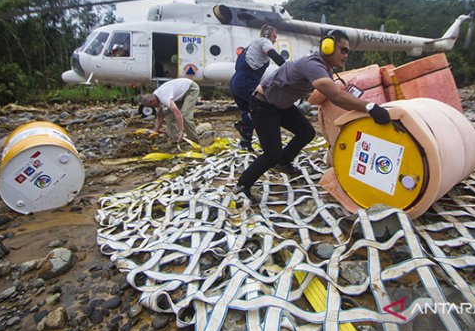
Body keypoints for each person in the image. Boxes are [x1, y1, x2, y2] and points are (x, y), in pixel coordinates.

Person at [233, 29, 391, 200]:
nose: (345, 55)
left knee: (306, 133)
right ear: (328, 46)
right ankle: (242, 185)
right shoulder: (313, 64)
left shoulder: (325, 69)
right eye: (343, 50)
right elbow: (336, 96)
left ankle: (283, 162)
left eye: (347, 51)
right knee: (271, 153)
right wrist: (370, 107)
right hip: (263, 105)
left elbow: (327, 95)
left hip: (281, 105)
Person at [229, 25, 285, 150]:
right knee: (265, 107)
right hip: (246, 82)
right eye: (274, 37)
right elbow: (273, 54)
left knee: (249, 111)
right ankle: (270, 147)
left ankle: (245, 144)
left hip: (235, 83)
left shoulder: (250, 47)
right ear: (267, 35)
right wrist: (288, 67)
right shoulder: (264, 41)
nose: (275, 40)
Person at [140, 78, 201, 143]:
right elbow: (160, 116)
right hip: (180, 94)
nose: (153, 107)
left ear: (152, 101)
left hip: (190, 89)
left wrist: (181, 131)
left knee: (185, 115)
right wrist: (155, 131)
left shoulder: (163, 97)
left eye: (151, 106)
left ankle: (195, 141)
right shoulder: (156, 96)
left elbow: (177, 112)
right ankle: (175, 140)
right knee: (169, 116)